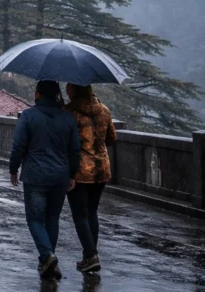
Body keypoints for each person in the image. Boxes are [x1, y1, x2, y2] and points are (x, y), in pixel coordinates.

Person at [9, 80, 81, 280]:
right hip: (60, 176)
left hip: (35, 176)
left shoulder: (28, 116)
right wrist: (72, 174)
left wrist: (13, 169)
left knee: (34, 219)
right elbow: (75, 150)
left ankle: (48, 255)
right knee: (52, 219)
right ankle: (48, 262)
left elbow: (18, 146)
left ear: (38, 94)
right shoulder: (68, 118)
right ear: (57, 95)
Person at [64, 83, 116, 274]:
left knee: (80, 215)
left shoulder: (70, 112)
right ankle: (89, 256)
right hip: (102, 169)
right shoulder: (104, 110)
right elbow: (111, 138)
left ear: (76, 90)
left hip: (80, 170)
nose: (66, 90)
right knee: (92, 213)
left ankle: (91, 254)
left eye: (69, 87)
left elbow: (66, 141)